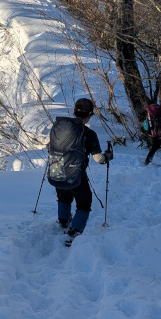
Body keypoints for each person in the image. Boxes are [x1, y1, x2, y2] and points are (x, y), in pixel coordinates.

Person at [54, 98, 112, 241]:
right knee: (84, 203)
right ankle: (74, 232)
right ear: (89, 115)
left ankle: (63, 222)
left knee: (64, 197)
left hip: (57, 168)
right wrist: (107, 156)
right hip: (76, 173)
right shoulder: (89, 134)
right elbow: (98, 159)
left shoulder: (58, 128)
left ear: (74, 111)